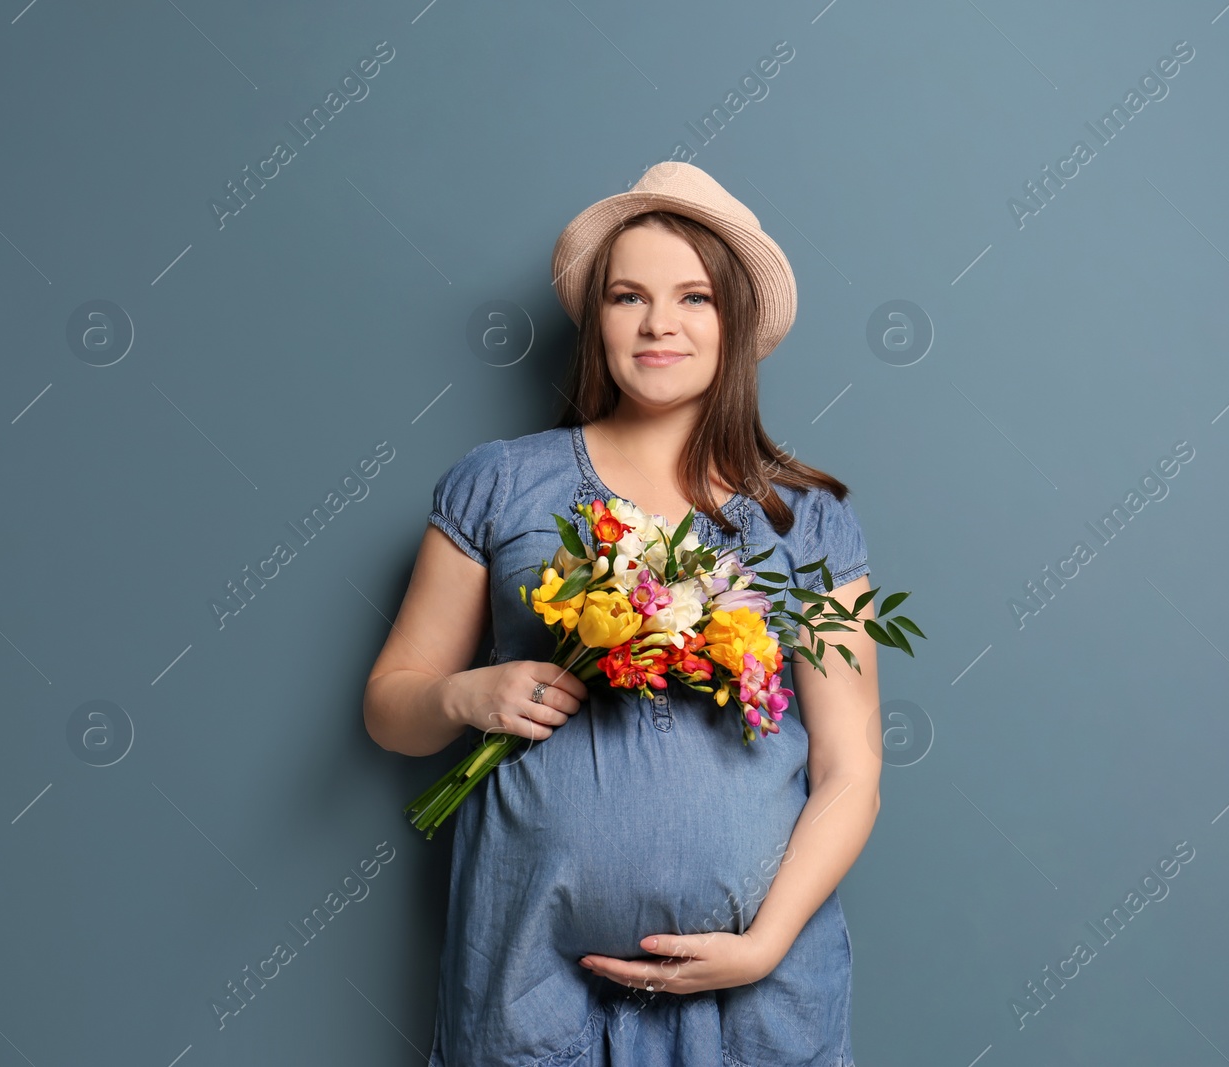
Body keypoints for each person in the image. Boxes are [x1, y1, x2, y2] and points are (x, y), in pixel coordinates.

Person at [362, 161, 882, 1067]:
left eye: (694, 298)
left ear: (739, 323)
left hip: (759, 996)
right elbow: (389, 707)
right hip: (530, 982)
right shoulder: (499, 481)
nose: (657, 324)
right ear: (595, 317)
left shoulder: (811, 519)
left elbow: (850, 768)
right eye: (627, 295)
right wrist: (466, 698)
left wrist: (762, 945)